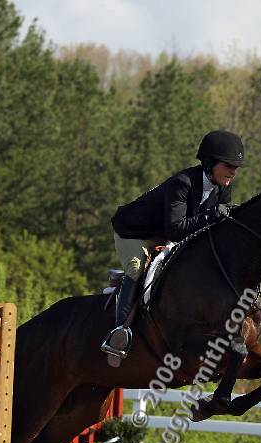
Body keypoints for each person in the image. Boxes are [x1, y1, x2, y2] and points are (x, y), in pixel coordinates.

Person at [101, 129, 245, 366]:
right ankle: (120, 333)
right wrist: (211, 215)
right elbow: (176, 229)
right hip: (134, 233)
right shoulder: (183, 183)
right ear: (210, 163)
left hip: (165, 233)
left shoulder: (223, 186)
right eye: (228, 165)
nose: (233, 172)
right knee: (137, 269)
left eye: (236, 167)